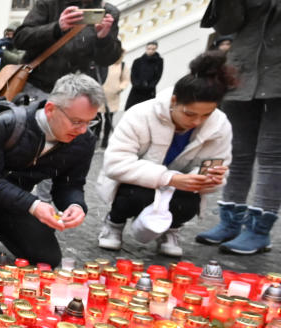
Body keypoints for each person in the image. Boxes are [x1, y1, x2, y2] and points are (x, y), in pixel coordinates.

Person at [0, 73, 104, 267]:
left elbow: (70, 184)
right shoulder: (7, 123)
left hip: (11, 203)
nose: (83, 130)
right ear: (51, 109)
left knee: (48, 258)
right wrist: (33, 205)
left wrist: (75, 205)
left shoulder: (84, 141)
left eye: (90, 122)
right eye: (77, 121)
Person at [97, 53, 235, 257]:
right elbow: (115, 164)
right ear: (173, 101)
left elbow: (218, 168)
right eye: (189, 114)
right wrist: (171, 178)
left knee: (188, 203)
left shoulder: (220, 125)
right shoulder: (140, 114)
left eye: (206, 115)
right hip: (137, 186)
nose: (197, 121)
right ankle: (114, 222)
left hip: (180, 190)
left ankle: (172, 229)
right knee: (131, 195)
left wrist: (208, 178)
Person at [194, 1, 281, 255]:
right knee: (237, 153)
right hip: (241, 73)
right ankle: (230, 222)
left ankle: (259, 230)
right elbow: (227, 26)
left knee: (271, 155)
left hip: (277, 77)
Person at [13, 0, 122, 98]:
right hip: (38, 88)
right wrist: (57, 28)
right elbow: (20, 39)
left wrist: (103, 38)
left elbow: (106, 60)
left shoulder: (108, 12)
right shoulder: (50, 3)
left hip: (79, 94)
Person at [100, 53, 129, 148]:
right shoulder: (102, 63)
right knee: (97, 118)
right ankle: (95, 137)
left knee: (109, 119)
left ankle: (105, 140)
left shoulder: (122, 65)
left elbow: (125, 80)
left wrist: (120, 88)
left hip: (112, 97)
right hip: (99, 96)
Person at [125, 42, 164, 110]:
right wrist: (136, 84)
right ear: (146, 49)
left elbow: (158, 75)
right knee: (132, 108)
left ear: (156, 49)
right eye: (149, 49)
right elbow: (133, 75)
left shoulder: (159, 61)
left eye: (153, 49)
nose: (151, 51)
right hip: (137, 89)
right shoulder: (137, 61)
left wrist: (150, 85)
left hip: (149, 90)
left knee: (147, 109)